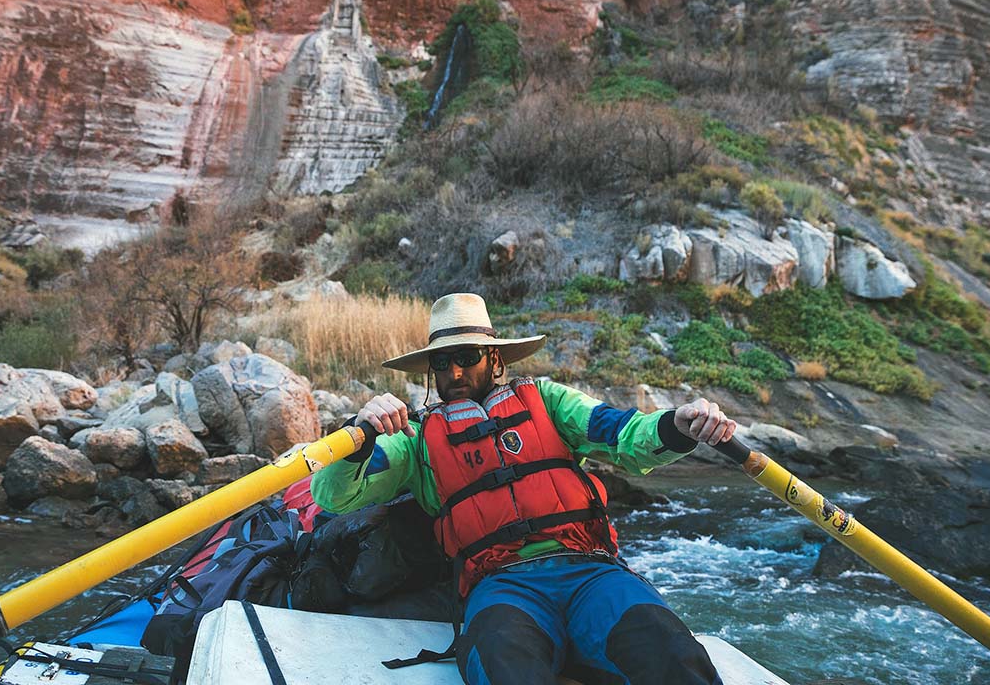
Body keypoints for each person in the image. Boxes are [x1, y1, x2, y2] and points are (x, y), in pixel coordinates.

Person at [311, 292, 737, 684]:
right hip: (500, 585)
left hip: (590, 571)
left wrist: (677, 424)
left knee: (673, 655)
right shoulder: (416, 438)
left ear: (494, 358)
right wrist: (359, 435)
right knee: (504, 669)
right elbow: (333, 494)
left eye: (466, 355)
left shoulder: (548, 401)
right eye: (442, 362)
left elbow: (624, 433)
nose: (454, 371)